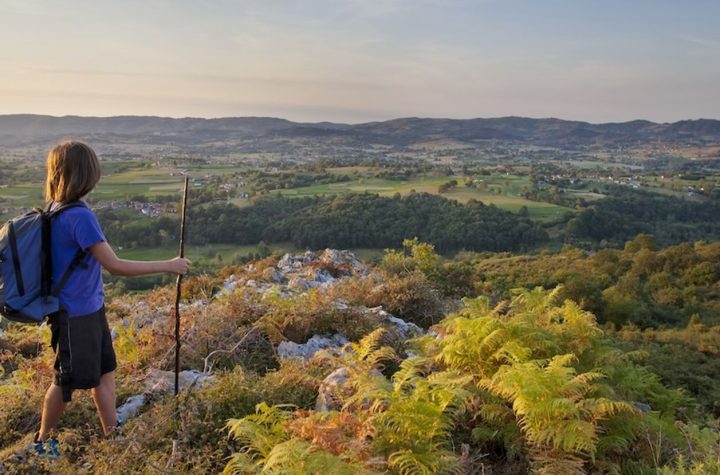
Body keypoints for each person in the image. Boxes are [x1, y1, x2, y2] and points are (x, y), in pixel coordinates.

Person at [33, 140, 190, 456]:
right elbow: (115, 266)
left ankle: (112, 433)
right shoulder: (79, 216)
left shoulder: (55, 209)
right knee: (64, 383)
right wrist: (169, 266)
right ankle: (41, 442)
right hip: (75, 314)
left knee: (105, 372)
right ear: (86, 174)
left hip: (86, 309)